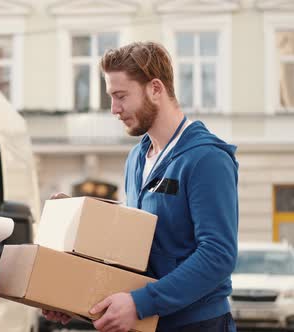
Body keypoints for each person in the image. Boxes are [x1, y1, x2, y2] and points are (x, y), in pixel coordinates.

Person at [43, 42, 239, 332]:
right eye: (111, 97)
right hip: (146, 323)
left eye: (121, 96)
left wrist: (140, 303)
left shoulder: (206, 159)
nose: (114, 109)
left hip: (198, 324)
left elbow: (218, 255)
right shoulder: (137, 158)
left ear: (156, 89)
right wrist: (73, 297)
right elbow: (132, 249)